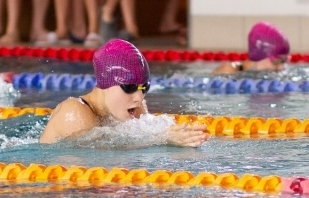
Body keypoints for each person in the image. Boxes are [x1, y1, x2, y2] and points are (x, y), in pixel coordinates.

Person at [39, 39, 209, 147]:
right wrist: (163, 138)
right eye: (129, 87)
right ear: (105, 83)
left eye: (144, 88)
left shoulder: (134, 104)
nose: (139, 97)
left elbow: (144, 133)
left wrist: (181, 134)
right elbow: (99, 150)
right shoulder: (75, 111)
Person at [213, 22, 291, 74]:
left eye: (284, 61)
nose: (281, 68)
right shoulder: (229, 70)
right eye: (276, 62)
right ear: (259, 56)